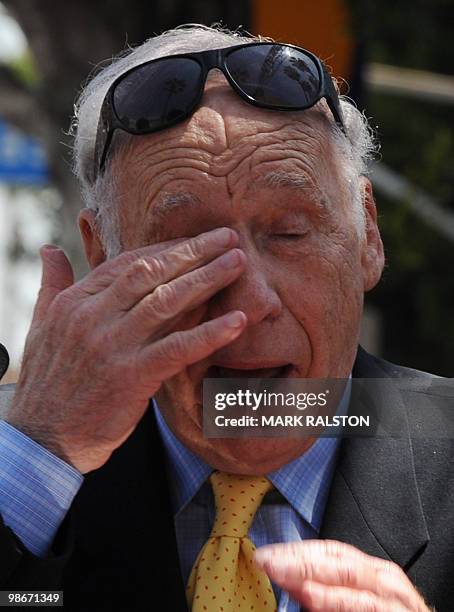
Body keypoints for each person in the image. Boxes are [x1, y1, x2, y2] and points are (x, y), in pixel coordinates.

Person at [0, 24, 452, 612]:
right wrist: (40, 453)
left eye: (290, 234)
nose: (246, 302)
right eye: (188, 250)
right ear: (102, 257)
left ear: (367, 233)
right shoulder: (29, 460)